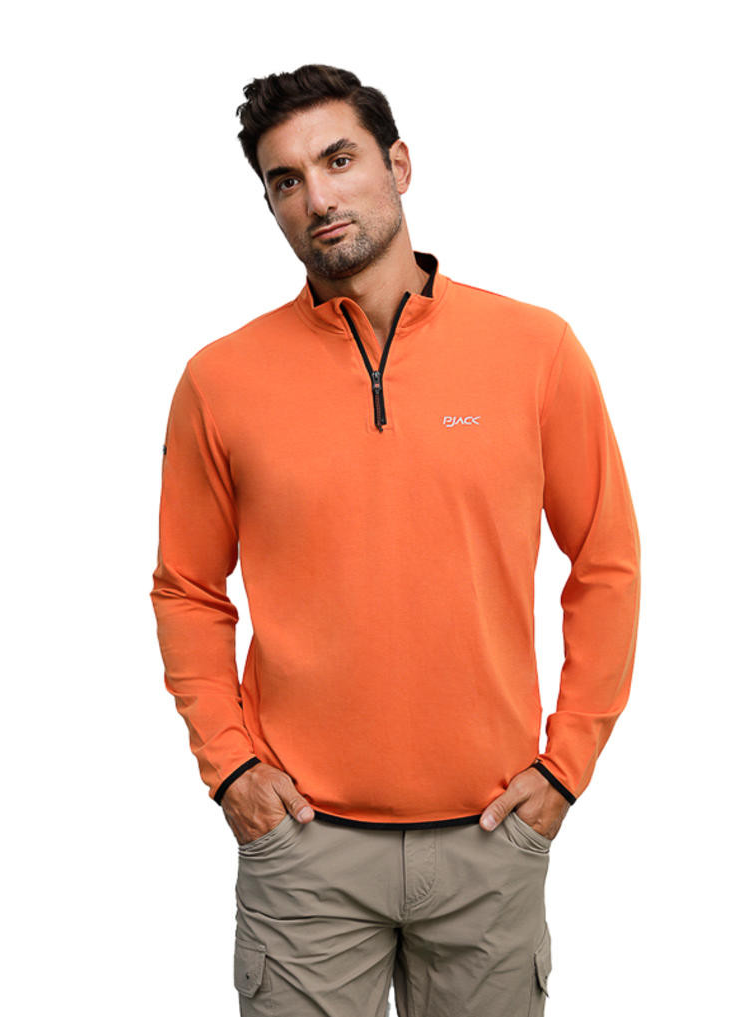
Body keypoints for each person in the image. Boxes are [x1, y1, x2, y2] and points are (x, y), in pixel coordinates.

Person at [150, 64, 641, 1017]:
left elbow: (606, 560)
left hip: (491, 837)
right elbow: (187, 589)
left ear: (399, 165)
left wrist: (568, 764)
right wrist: (232, 768)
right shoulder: (220, 379)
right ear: (270, 204)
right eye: (286, 180)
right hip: (303, 848)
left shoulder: (536, 351)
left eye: (339, 160)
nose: (318, 197)